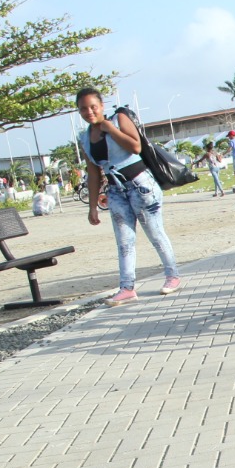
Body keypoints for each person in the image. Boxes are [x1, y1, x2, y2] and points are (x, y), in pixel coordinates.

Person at [75, 87, 182, 306]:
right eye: (83, 109)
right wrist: (92, 206)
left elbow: (135, 146)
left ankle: (172, 276)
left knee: (155, 233)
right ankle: (127, 288)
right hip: (115, 190)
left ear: (102, 106)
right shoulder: (84, 138)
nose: (89, 112)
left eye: (93, 107)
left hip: (141, 185)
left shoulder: (119, 119)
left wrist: (110, 129)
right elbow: (93, 173)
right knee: (124, 241)